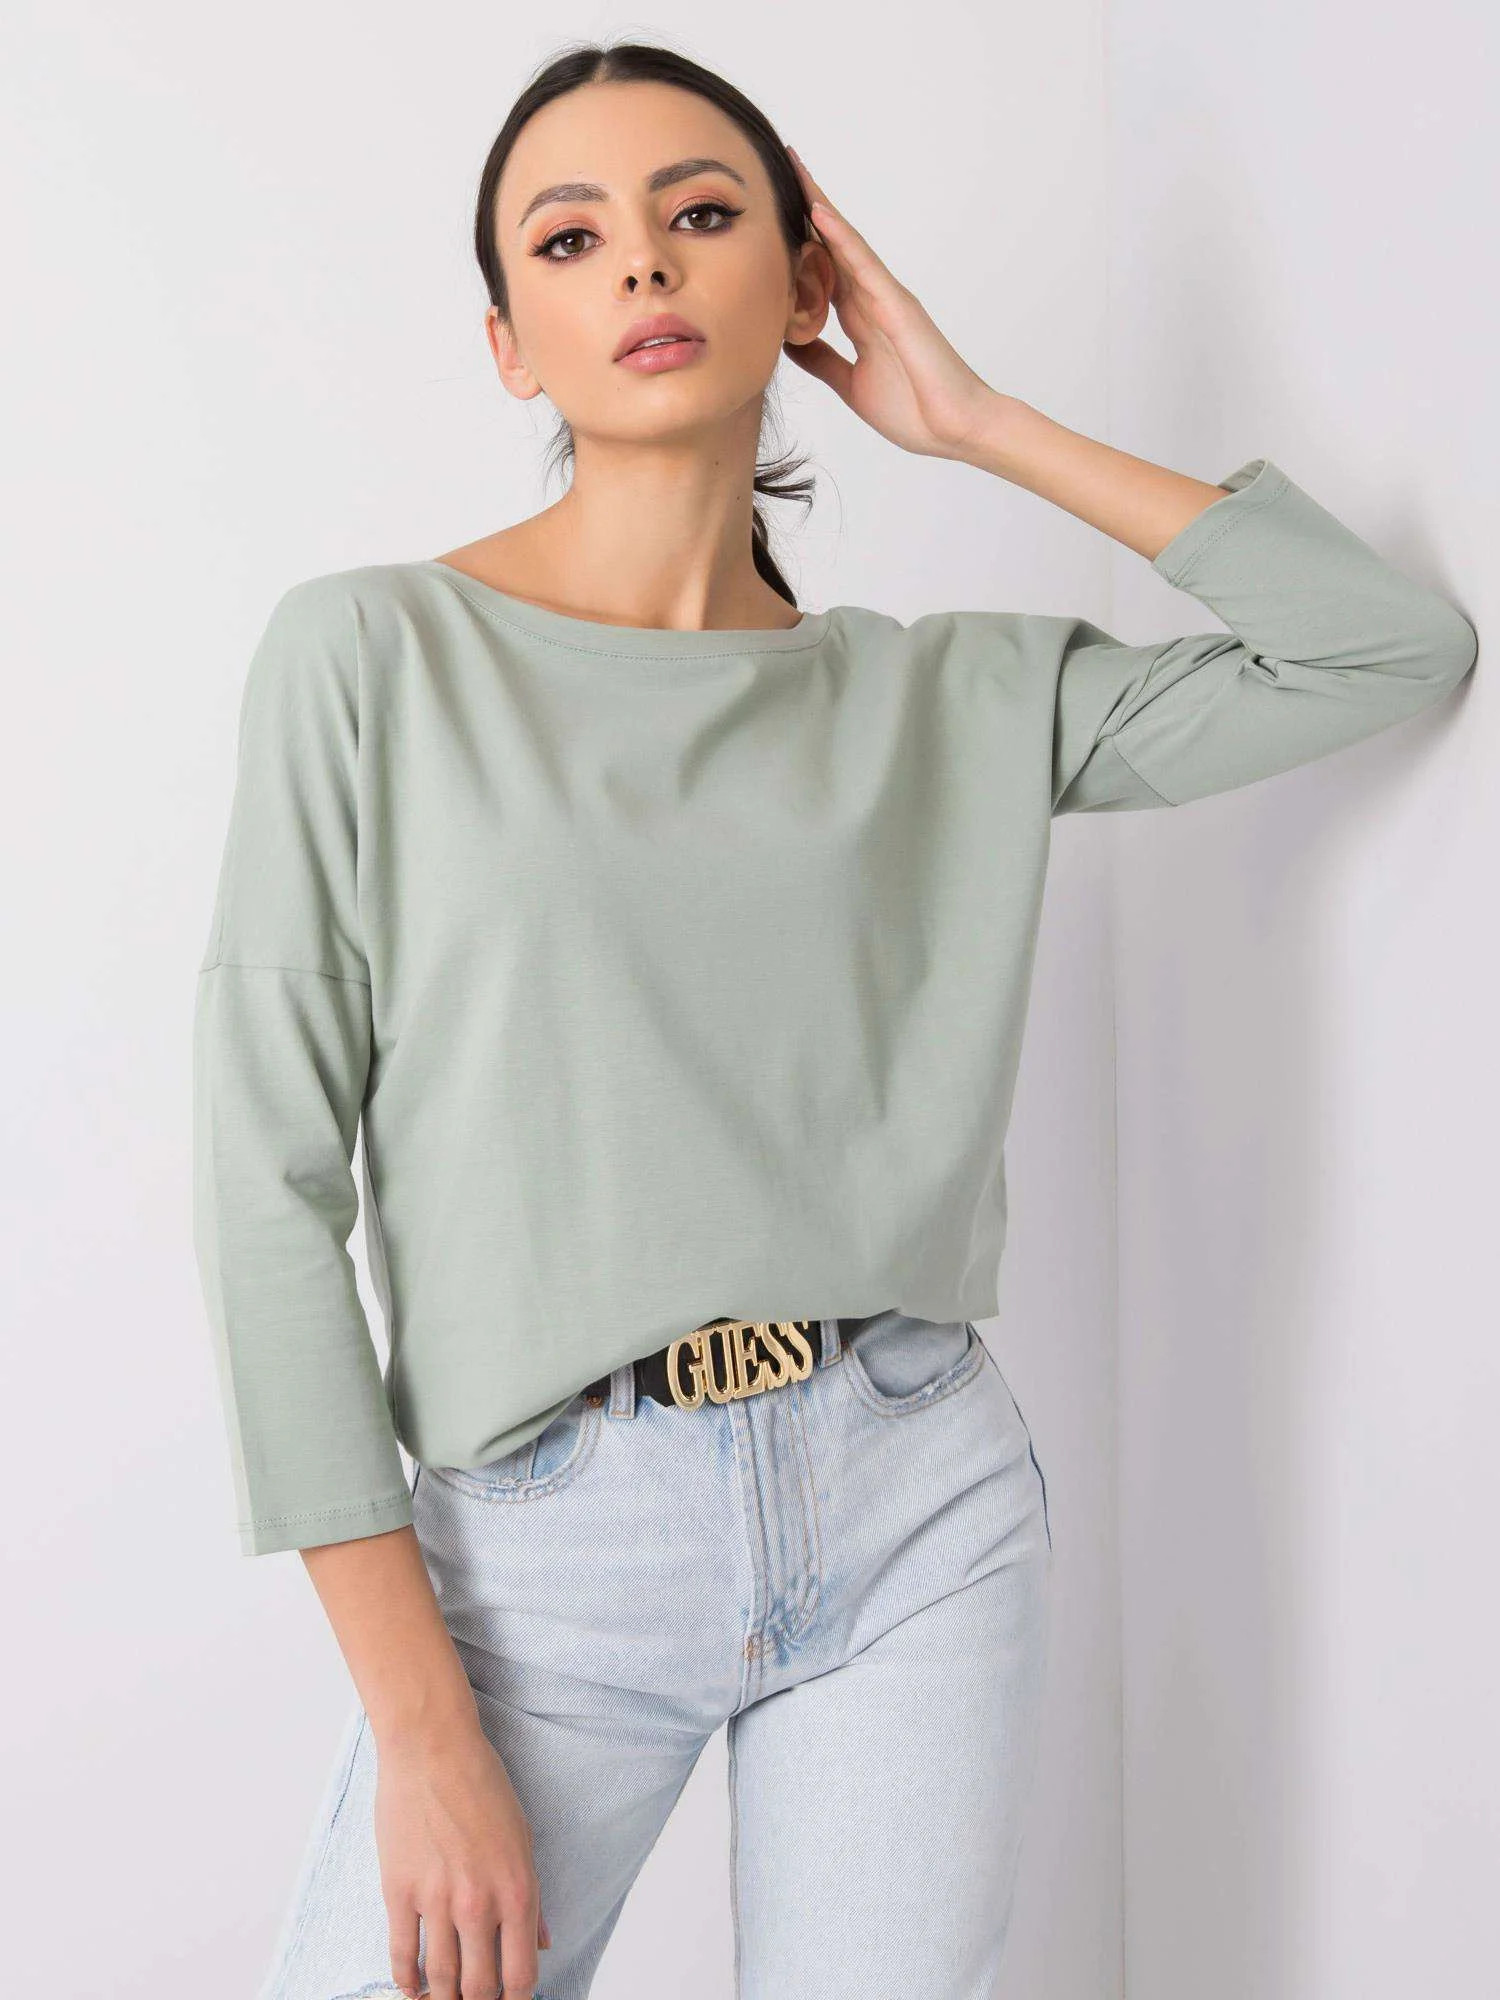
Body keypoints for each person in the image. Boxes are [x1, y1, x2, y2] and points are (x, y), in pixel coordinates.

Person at [191, 39, 1478, 2000]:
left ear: (805, 284)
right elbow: (266, 1191)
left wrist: (974, 420)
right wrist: (422, 1723)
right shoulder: (373, 656)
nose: (644, 263)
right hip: (544, 1552)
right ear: (509, 345)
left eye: (702, 212)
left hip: (913, 1500)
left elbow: (1383, 648)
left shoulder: (942, 701)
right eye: (572, 237)